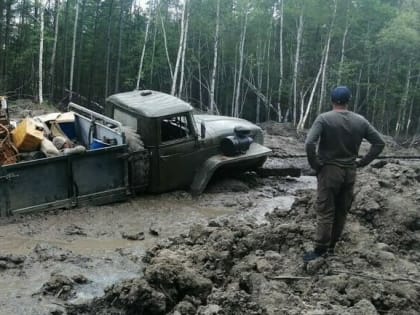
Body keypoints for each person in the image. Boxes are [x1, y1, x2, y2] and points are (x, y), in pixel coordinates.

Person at [303, 86, 385, 262]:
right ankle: (332, 246)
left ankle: (320, 250)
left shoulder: (324, 119)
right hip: (350, 172)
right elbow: (379, 143)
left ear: (331, 100)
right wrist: (362, 162)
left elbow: (310, 143)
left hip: (329, 170)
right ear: (349, 100)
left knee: (326, 210)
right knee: (341, 211)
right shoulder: (360, 121)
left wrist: (315, 164)